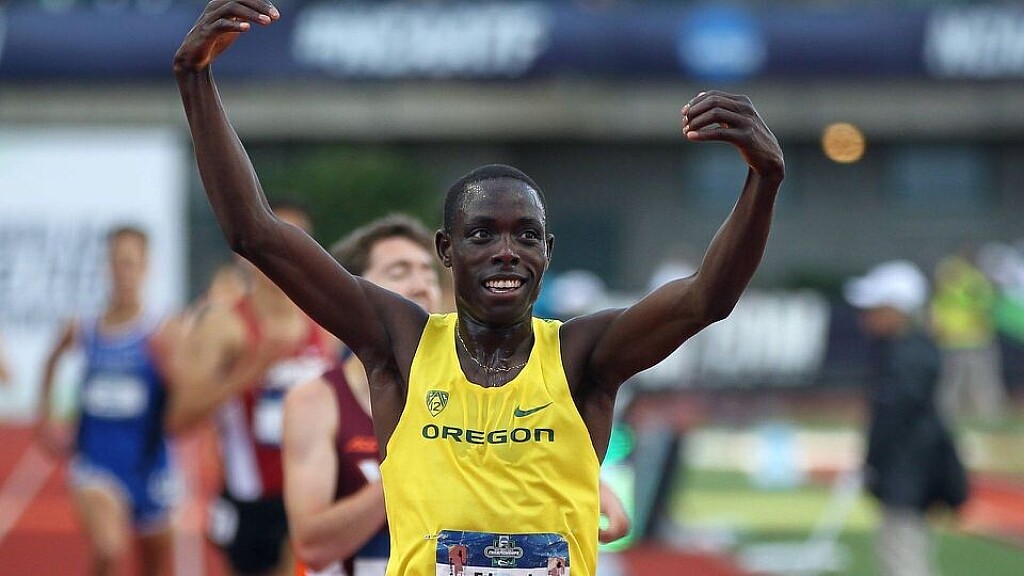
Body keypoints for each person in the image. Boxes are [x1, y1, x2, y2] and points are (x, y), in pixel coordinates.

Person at [174, 3, 784, 574]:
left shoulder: (583, 356)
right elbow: (255, 232)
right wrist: (195, 80)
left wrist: (764, 179)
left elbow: (706, 298)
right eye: (483, 234)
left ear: (547, 253)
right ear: (447, 250)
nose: (506, 252)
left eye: (526, 235)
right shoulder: (401, 345)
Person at [284, 214, 631, 576]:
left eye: (427, 273)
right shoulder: (318, 400)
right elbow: (312, 546)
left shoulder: (471, 387)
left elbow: (513, 459)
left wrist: (582, 481)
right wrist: (414, 465)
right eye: (399, 272)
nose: (420, 285)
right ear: (350, 292)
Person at [164, 203, 336, 576]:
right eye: (274, 242)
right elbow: (178, 418)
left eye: (297, 243)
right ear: (250, 251)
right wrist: (249, 372)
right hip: (251, 500)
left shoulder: (325, 324)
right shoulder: (226, 326)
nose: (285, 255)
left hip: (312, 496)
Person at [35, 225, 181, 576]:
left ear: (146, 268)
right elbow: (51, 360)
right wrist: (45, 418)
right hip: (95, 461)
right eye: (116, 262)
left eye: (130, 263)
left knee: (156, 566)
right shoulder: (84, 327)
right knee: (108, 548)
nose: (123, 272)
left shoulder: (162, 329)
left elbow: (183, 405)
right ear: (106, 266)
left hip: (148, 465)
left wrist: (170, 371)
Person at [844, 260, 969, 576]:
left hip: (908, 477)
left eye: (874, 308)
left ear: (896, 309)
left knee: (904, 557)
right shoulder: (909, 351)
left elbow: (896, 418)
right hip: (907, 475)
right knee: (900, 553)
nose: (866, 316)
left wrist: (872, 462)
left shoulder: (908, 357)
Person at [930, 251, 1007, 423]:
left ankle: (989, 417)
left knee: (981, 381)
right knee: (950, 383)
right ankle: (946, 417)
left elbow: (986, 305)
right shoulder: (946, 287)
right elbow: (937, 312)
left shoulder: (973, 284)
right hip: (951, 342)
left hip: (975, 341)